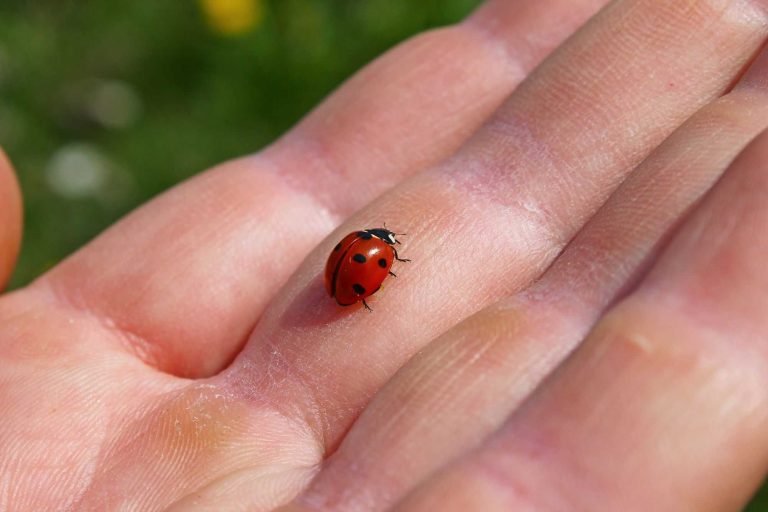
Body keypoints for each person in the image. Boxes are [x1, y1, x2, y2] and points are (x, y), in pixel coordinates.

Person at [1, 0, 767, 509]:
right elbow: (365, 260)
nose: (382, 255)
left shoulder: (364, 251)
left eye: (381, 258)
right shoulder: (370, 255)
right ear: (382, 257)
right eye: (383, 257)